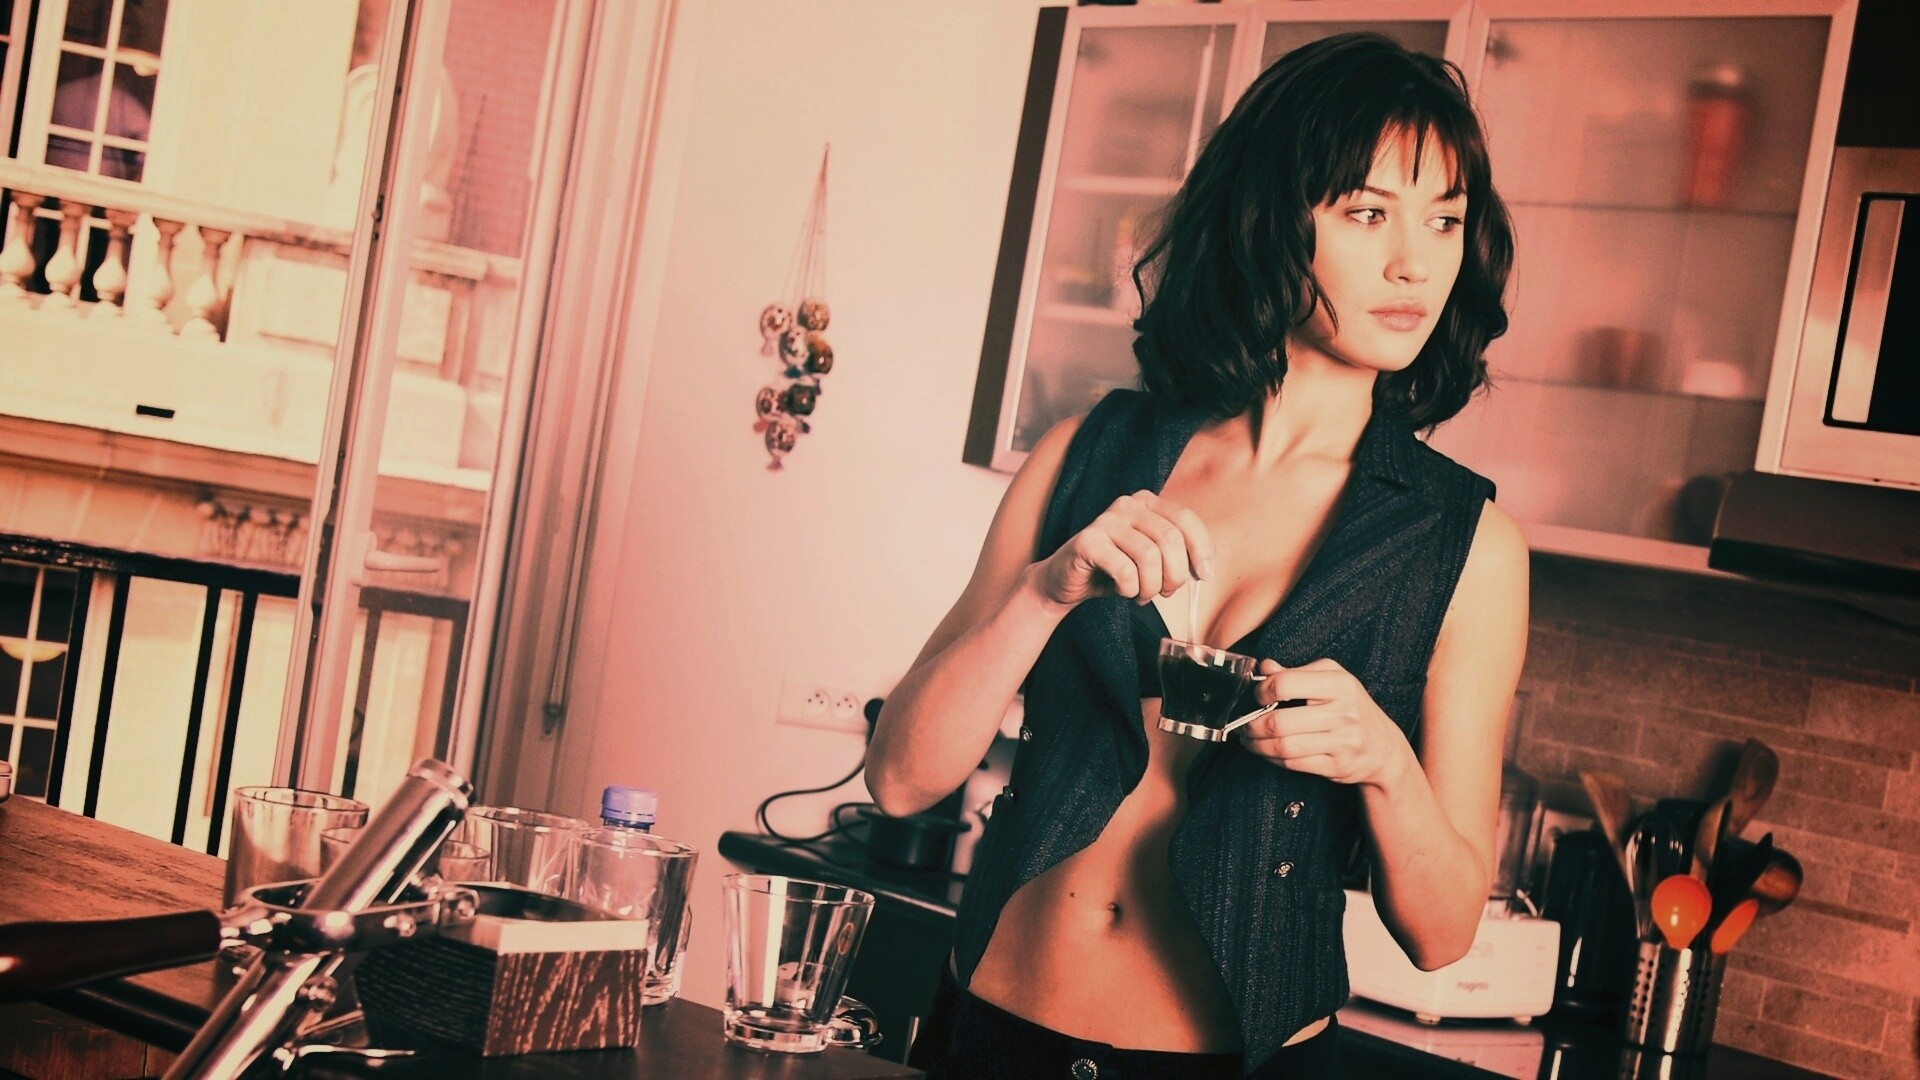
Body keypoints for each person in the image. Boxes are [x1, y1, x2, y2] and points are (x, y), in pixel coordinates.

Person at [868, 32, 1528, 1080]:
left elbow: (1444, 933)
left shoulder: (1465, 545)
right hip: (988, 1033)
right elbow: (902, 778)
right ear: (1272, 220)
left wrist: (1382, 761)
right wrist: (1043, 595)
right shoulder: (1089, 454)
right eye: (1368, 213)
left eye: (1444, 220)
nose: (1415, 261)